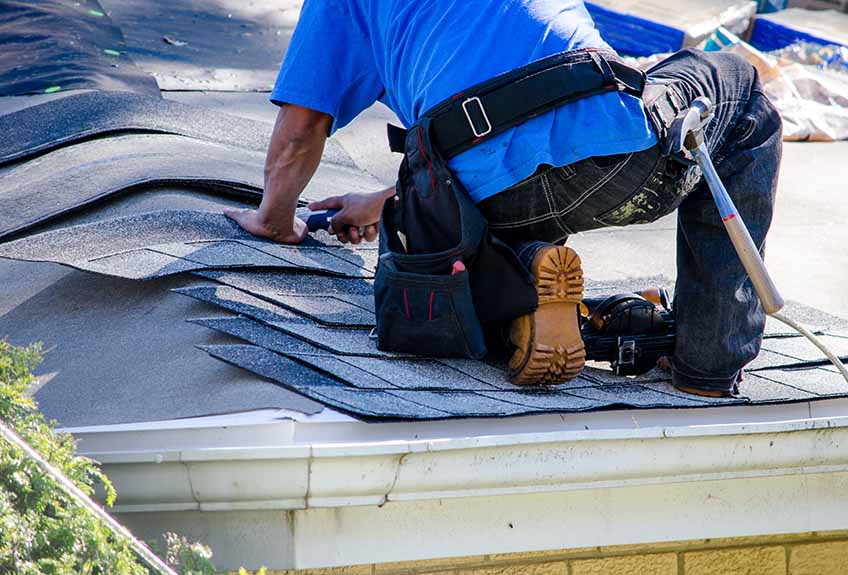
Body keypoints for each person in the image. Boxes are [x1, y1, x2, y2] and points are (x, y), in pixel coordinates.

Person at [225, 0, 782, 396]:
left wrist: (275, 221)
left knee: (484, 187)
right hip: (617, 161)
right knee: (739, 86)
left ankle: (524, 281)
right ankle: (707, 365)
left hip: (476, 200)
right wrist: (379, 198)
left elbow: (301, 130)